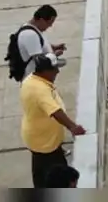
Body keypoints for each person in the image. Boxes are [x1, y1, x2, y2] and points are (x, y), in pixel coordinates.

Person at [20, 53, 85, 188]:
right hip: (45, 143)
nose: (58, 71)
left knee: (40, 172)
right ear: (45, 71)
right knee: (61, 179)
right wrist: (73, 127)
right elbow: (55, 111)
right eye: (55, 69)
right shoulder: (40, 90)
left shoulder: (31, 80)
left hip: (38, 139)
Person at [14, 5, 67, 80]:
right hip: (35, 79)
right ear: (41, 20)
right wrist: (54, 55)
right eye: (49, 23)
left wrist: (53, 47)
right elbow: (40, 61)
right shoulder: (30, 35)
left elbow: (38, 45)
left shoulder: (34, 28)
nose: (50, 26)